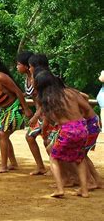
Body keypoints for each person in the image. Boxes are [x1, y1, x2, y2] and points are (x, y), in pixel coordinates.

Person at [34, 70, 95, 198]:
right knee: (80, 158)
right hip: (82, 127)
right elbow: (87, 108)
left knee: (54, 157)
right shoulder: (71, 92)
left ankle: (60, 188)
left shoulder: (47, 99)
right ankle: (84, 190)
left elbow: (48, 121)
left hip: (67, 130)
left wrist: (45, 133)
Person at [0, 52, 32, 173]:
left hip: (14, 108)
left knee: (2, 134)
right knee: (4, 135)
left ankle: (3, 166)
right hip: (4, 110)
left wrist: (26, 109)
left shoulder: (0, 77)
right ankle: (13, 163)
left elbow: (18, 91)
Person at [16, 51, 47, 175]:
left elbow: (46, 100)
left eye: (19, 64)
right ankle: (41, 166)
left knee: (48, 141)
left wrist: (35, 115)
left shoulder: (40, 78)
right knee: (30, 137)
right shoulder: (28, 78)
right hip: (40, 113)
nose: (17, 67)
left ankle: (60, 170)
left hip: (46, 113)